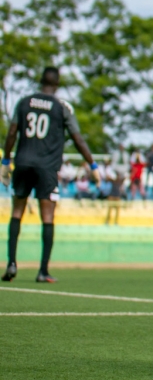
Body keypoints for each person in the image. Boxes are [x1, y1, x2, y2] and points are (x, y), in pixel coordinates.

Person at [2, 66, 101, 282]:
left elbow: (11, 133)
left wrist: (5, 160)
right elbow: (77, 139)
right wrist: (92, 165)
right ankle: (43, 271)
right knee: (47, 215)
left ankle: (11, 263)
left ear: (40, 82)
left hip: (23, 162)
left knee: (17, 212)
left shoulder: (24, 102)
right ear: (57, 85)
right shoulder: (61, 107)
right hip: (47, 167)